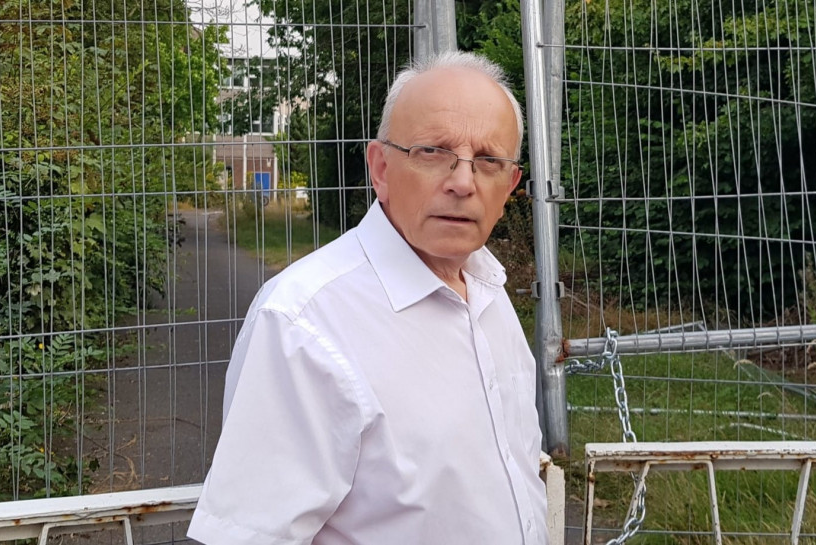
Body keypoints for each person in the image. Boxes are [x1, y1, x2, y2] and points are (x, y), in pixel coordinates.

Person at [187, 50, 548, 545]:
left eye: (487, 160)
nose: (463, 182)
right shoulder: (302, 324)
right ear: (380, 168)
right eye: (433, 152)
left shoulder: (488, 292)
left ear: (509, 186)